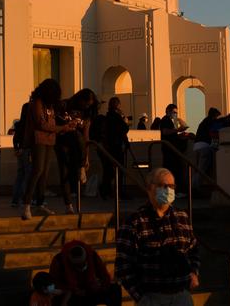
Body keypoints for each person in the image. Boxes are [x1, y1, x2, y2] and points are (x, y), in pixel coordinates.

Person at [116, 168, 200, 305]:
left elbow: (193, 249)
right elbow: (123, 266)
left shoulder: (182, 217)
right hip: (152, 296)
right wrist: (141, 297)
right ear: (149, 188)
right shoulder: (135, 222)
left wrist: (194, 271)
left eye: (172, 186)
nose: (168, 190)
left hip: (181, 295)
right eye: (163, 185)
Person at [22, 79, 75, 220]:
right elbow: (42, 124)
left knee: (44, 173)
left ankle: (40, 204)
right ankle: (27, 204)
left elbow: (51, 124)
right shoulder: (37, 103)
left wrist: (66, 127)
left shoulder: (49, 105)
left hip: (49, 140)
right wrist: (61, 128)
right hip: (38, 140)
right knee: (37, 171)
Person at [55, 88, 98, 214]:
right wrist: (67, 126)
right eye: (86, 103)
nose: (86, 106)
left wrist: (87, 157)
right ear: (80, 99)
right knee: (63, 172)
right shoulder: (65, 105)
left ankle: (81, 168)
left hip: (77, 146)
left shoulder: (87, 114)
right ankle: (68, 205)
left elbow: (86, 136)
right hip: (62, 141)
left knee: (79, 137)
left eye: (89, 105)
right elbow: (55, 125)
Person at [48, 240, 121, 306]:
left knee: (114, 289)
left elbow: (104, 276)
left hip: (90, 290)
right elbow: (54, 283)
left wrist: (98, 286)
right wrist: (72, 290)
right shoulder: (59, 261)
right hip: (71, 294)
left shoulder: (92, 256)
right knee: (57, 299)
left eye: (82, 263)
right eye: (78, 265)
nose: (81, 267)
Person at [100, 97, 130, 199]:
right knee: (119, 170)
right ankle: (118, 192)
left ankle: (106, 192)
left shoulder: (107, 117)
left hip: (109, 146)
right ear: (117, 105)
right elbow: (124, 129)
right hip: (116, 146)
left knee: (108, 170)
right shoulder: (116, 117)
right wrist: (125, 121)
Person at [159, 104, 191, 191]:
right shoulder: (165, 120)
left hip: (172, 148)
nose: (175, 114)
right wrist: (178, 130)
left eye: (176, 113)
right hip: (169, 149)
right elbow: (165, 132)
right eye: (174, 112)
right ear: (168, 111)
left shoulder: (170, 121)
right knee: (171, 170)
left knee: (175, 170)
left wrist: (180, 134)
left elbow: (171, 134)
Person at [193, 107, 221, 181]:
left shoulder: (203, 122)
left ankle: (194, 186)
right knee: (201, 170)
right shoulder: (211, 122)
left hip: (196, 146)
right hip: (204, 147)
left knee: (197, 169)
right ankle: (195, 187)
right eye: (216, 116)